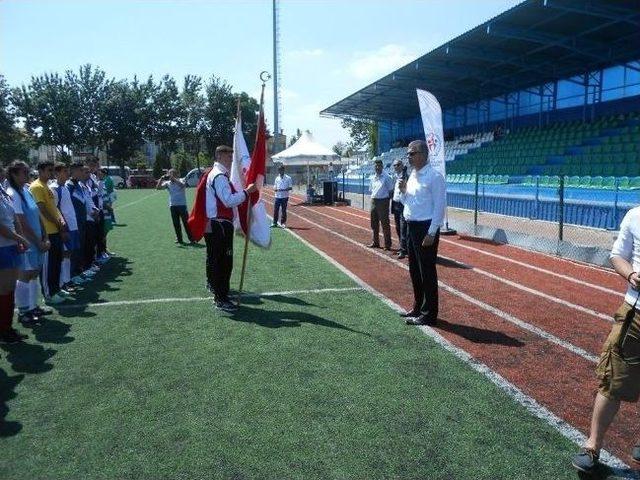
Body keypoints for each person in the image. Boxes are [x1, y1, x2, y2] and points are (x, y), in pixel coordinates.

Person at [571, 205, 640, 473]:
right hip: (635, 314)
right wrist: (632, 275)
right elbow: (617, 256)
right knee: (612, 380)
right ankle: (593, 446)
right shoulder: (635, 215)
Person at [398, 140, 446, 326]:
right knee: (414, 270)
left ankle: (429, 313)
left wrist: (432, 232)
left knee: (427, 272)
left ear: (423, 155)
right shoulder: (413, 175)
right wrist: (403, 192)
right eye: (408, 153)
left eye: (412, 153)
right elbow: (408, 202)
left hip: (425, 228)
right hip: (411, 226)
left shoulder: (434, 177)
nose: (409, 157)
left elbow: (439, 207)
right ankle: (418, 307)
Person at [204, 145, 256, 312]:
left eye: (231, 157)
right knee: (224, 262)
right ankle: (221, 298)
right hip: (219, 225)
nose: (230, 160)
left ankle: (219, 292)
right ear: (218, 155)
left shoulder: (217, 174)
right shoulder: (219, 176)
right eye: (227, 156)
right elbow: (227, 200)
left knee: (218, 261)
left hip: (217, 224)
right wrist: (247, 192)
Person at [6, 161, 51, 324]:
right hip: (28, 242)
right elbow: (21, 221)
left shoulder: (26, 190)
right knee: (25, 275)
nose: (27, 174)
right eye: (24, 172)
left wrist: (45, 236)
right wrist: (37, 241)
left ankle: (33, 307)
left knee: (34, 274)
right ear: (14, 174)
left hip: (37, 239)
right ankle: (24, 312)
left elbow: (37, 215)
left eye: (27, 172)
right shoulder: (12, 193)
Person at [29, 160, 69, 304]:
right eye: (49, 170)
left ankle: (56, 289)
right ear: (40, 171)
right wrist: (57, 222)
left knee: (56, 262)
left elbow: (53, 207)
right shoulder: (36, 187)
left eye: (52, 170)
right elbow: (42, 209)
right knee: (48, 266)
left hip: (55, 229)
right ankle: (48, 295)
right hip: (47, 231)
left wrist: (61, 220)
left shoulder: (47, 187)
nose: (52, 173)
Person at [0, 181, 29, 343]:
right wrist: (20, 238)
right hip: (2, 246)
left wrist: (18, 238)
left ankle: (7, 327)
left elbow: (12, 218)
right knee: (4, 290)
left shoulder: (2, 191)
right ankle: (3, 331)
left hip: (10, 245)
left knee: (9, 289)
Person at [51, 162, 83, 292]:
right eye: (64, 171)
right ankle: (62, 283)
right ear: (56, 173)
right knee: (63, 254)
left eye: (67, 171)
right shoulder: (54, 188)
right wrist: (62, 228)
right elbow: (55, 210)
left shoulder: (63, 187)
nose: (67, 174)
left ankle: (67, 280)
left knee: (68, 254)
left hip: (73, 225)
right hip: (65, 227)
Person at [156, 168, 193, 244]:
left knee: (186, 223)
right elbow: (158, 188)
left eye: (172, 174)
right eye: (170, 174)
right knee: (176, 224)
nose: (170, 175)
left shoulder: (181, 180)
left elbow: (183, 186)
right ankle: (179, 239)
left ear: (176, 174)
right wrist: (161, 179)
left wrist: (174, 179)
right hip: (173, 206)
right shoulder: (168, 183)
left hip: (182, 205)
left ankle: (192, 239)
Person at [368, 159, 394, 250]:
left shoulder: (387, 177)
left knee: (385, 224)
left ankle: (387, 244)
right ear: (374, 167)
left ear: (382, 166)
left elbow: (391, 191)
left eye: (379, 166)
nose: (377, 167)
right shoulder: (372, 177)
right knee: (374, 223)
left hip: (383, 201)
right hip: (373, 201)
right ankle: (375, 242)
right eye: (376, 166)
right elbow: (371, 190)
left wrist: (386, 202)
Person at [391, 160, 408, 259]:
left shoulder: (406, 176)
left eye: (398, 165)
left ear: (402, 165)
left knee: (403, 227)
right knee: (397, 226)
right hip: (395, 203)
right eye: (394, 165)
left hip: (402, 204)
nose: (396, 167)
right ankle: (402, 247)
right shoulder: (395, 177)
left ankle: (403, 249)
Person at [272, 164, 292, 228]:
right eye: (279, 170)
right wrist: (275, 189)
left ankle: (283, 223)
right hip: (277, 196)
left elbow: (290, 187)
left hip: (285, 197)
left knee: (283, 210)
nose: (280, 171)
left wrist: (283, 190)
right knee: (276, 210)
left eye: (281, 170)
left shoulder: (288, 178)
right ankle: (274, 223)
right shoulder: (277, 178)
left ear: (283, 170)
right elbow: (275, 186)